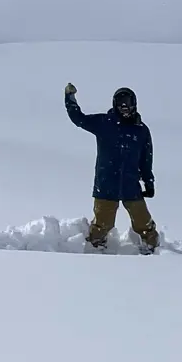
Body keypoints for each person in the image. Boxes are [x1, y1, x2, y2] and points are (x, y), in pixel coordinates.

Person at [64, 82, 159, 253]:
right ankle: (95, 250)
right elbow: (78, 119)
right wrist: (70, 98)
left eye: (128, 102)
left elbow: (146, 159)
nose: (124, 106)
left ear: (134, 104)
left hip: (130, 184)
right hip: (106, 183)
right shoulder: (104, 123)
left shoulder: (141, 130)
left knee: (144, 223)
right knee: (102, 224)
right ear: (114, 104)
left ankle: (152, 249)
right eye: (120, 102)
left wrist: (149, 181)